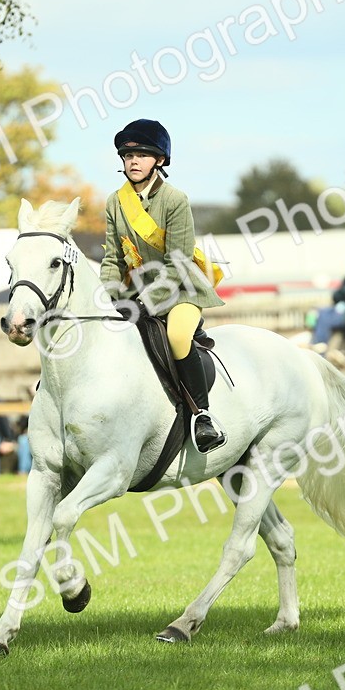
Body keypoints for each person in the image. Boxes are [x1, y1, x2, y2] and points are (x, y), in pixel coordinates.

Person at [99, 119, 227, 452]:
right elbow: (113, 259)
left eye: (141, 155)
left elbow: (180, 263)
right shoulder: (115, 202)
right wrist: (104, 298)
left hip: (180, 290)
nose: (133, 162)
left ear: (159, 160)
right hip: (135, 292)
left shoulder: (175, 200)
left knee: (177, 336)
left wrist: (144, 304)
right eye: (127, 157)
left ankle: (202, 416)